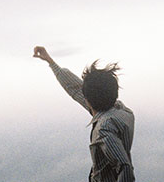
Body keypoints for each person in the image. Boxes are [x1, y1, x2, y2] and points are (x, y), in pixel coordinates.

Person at [33, 46, 135, 182]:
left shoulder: (104, 129)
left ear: (88, 100)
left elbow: (124, 167)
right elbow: (75, 88)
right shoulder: (122, 110)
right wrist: (50, 61)